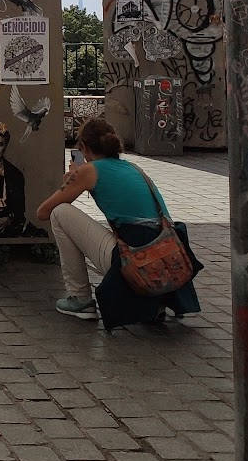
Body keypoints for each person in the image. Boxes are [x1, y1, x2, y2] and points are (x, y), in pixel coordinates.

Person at [35, 116, 202, 326]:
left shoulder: (88, 170)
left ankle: (81, 299)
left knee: (60, 213)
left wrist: (70, 182)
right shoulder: (133, 168)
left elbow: (43, 212)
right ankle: (155, 303)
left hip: (134, 261)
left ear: (84, 147)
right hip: (164, 256)